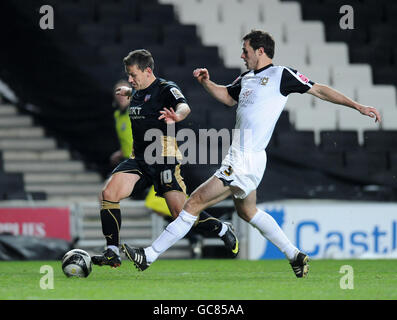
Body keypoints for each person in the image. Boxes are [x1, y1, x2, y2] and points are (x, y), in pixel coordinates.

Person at [122, 30, 381, 277]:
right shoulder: (245, 79)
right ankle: (295, 255)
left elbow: (319, 90)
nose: (242, 56)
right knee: (248, 212)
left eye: (245, 51)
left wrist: (357, 106)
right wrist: (206, 82)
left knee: (193, 202)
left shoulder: (282, 75)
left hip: (245, 158)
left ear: (260, 50)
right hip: (246, 157)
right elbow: (226, 97)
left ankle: (149, 255)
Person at [91, 49, 239, 268]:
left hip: (164, 159)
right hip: (139, 159)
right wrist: (128, 90)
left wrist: (178, 115)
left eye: (133, 75)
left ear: (148, 70)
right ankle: (112, 251)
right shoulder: (138, 91)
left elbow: (184, 106)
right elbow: (142, 96)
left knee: (181, 214)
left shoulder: (166, 88)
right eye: (129, 76)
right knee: (108, 193)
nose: (131, 79)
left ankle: (221, 228)